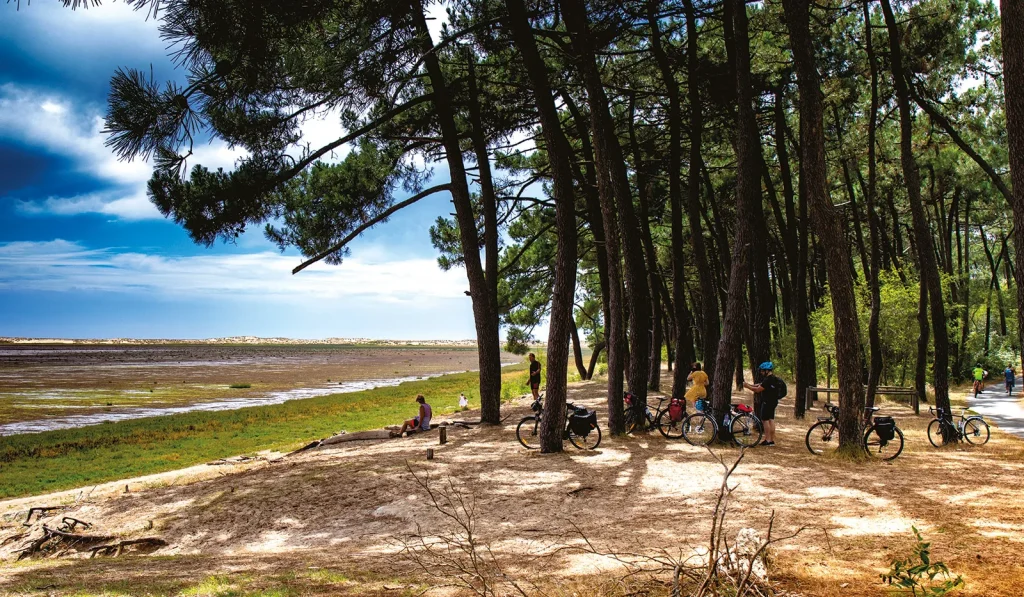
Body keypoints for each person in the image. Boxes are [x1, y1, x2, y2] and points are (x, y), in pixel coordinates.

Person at [743, 362, 785, 447]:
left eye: (762, 371)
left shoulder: (768, 379)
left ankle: (767, 439)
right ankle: (771, 440)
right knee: (771, 420)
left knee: (765, 420)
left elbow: (758, 389)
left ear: (766, 371)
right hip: (773, 401)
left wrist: (747, 386)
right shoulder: (774, 379)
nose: (761, 373)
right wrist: (750, 385)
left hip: (767, 402)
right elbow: (759, 385)